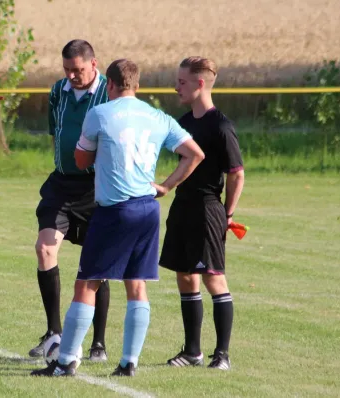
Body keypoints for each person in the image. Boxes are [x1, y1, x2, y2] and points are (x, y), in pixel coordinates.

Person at [31, 59, 205, 377]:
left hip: (115, 211)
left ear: (109, 84)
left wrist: (100, 149)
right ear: (136, 86)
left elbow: (81, 158)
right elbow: (195, 153)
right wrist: (166, 185)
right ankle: (129, 362)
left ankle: (66, 361)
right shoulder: (156, 117)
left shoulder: (100, 113)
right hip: (147, 209)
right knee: (136, 286)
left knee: (86, 284)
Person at [161, 56, 245, 370]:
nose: (176, 87)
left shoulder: (221, 126)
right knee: (185, 276)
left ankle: (221, 355)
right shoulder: (183, 123)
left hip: (208, 209)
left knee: (213, 278)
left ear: (199, 84)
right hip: (182, 206)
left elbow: (237, 173)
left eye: (181, 82)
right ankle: (192, 351)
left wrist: (227, 214)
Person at [32, 39, 111, 361]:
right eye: (67, 70)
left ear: (94, 64)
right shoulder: (57, 91)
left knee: (96, 265)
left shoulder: (111, 93)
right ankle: (54, 333)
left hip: (96, 188)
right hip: (62, 185)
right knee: (44, 248)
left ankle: (99, 344)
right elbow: (57, 132)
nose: (72, 76)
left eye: (77, 70)